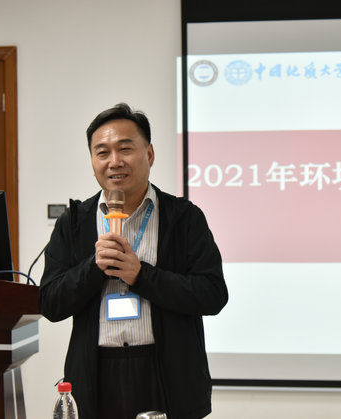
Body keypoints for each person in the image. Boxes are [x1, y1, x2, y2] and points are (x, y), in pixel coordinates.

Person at [39, 103, 228, 419]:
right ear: (92, 162)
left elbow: (212, 294)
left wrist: (142, 276)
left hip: (166, 375)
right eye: (102, 152)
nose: (114, 161)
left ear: (149, 154)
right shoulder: (73, 223)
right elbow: (50, 303)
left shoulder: (184, 218)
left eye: (125, 149)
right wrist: (93, 267)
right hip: (96, 376)